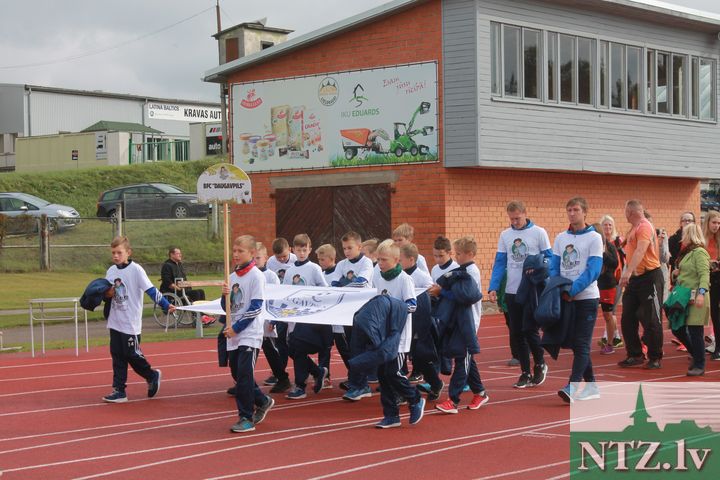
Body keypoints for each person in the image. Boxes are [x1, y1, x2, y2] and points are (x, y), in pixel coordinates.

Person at [488, 201, 551, 388]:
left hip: (531, 289)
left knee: (529, 330)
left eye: (517, 218)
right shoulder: (505, 235)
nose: (514, 222)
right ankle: (525, 372)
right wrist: (493, 286)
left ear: (525, 213)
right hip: (511, 290)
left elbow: (549, 259)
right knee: (517, 333)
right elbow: (500, 262)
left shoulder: (539, 233)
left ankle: (540, 363)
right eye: (512, 219)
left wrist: (539, 269)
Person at [102, 236, 172, 403]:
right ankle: (119, 390)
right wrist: (106, 294)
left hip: (130, 322)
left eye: (119, 252)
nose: (116, 256)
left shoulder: (136, 270)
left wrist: (165, 304)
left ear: (128, 252)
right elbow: (105, 293)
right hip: (115, 321)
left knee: (132, 355)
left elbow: (151, 290)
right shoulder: (111, 271)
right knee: (117, 356)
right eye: (113, 253)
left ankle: (151, 375)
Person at [550, 198, 603, 403]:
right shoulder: (561, 238)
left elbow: (593, 270)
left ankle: (572, 387)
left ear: (585, 212)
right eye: (569, 210)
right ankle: (591, 386)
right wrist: (559, 287)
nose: (572, 213)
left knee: (581, 343)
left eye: (576, 210)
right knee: (575, 343)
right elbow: (554, 266)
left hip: (586, 298)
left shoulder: (594, 238)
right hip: (566, 297)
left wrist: (574, 289)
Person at [221, 235, 273, 433]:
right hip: (233, 333)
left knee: (244, 374)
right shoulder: (232, 277)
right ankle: (262, 400)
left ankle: (245, 417)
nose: (235, 254)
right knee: (237, 374)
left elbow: (256, 307)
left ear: (251, 253)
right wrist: (224, 295)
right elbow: (227, 307)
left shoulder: (256, 276)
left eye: (240, 251)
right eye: (234, 250)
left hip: (249, 333)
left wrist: (238, 328)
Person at [371, 240, 426, 428]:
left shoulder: (404, 279)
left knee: (393, 372)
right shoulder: (379, 278)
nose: (380, 263)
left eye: (384, 260)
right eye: (378, 259)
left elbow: (412, 305)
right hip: (382, 335)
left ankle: (415, 399)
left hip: (399, 336)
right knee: (383, 375)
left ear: (396, 260)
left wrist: (391, 308)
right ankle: (391, 415)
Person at [432, 236, 489, 413]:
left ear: (470, 254)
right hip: (459, 319)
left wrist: (443, 292)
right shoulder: (462, 269)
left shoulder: (471, 272)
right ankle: (480, 392)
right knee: (464, 357)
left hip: (469, 321)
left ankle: (453, 399)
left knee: (462, 358)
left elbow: (465, 296)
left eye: (459, 254)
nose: (456, 257)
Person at [618, 199, 664, 370]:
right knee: (627, 317)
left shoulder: (644, 226)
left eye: (625, 212)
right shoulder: (633, 228)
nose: (625, 215)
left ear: (631, 212)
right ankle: (635, 354)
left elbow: (641, 250)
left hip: (649, 276)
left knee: (652, 318)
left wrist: (627, 272)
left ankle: (655, 356)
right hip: (636, 279)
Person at [283, 233, 329, 400]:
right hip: (293, 317)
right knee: (292, 350)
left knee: (300, 348)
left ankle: (300, 386)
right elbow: (284, 293)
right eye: (298, 250)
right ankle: (317, 371)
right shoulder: (290, 271)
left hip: (308, 317)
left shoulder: (314, 268)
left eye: (304, 250)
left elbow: (324, 289)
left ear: (309, 249)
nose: (301, 253)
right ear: (293, 250)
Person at [336, 231, 377, 401]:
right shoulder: (341, 264)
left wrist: (344, 284)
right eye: (344, 248)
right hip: (348, 311)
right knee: (352, 348)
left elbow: (361, 282)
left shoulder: (366, 262)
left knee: (361, 348)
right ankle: (357, 382)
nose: (346, 251)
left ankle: (362, 384)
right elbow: (334, 284)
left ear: (359, 247)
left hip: (363, 311)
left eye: (350, 248)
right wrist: (344, 285)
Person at [668, 223, 710, 376]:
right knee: (677, 328)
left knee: (695, 331)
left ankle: (699, 364)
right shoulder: (687, 253)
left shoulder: (699, 252)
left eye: (684, 234)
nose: (682, 238)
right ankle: (697, 355)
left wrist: (701, 293)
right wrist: (676, 273)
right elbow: (686, 272)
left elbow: (704, 274)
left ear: (690, 235)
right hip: (684, 296)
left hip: (696, 296)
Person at [255, 243, 291, 394]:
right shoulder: (249, 274)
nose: (255, 261)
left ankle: (282, 377)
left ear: (265, 258)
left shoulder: (270, 276)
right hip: (253, 318)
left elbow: (277, 298)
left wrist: (273, 319)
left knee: (270, 349)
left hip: (266, 318)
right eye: (252, 258)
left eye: (258, 258)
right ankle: (243, 380)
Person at [317, 243, 352, 389]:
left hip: (339, 321)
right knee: (324, 348)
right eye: (319, 259)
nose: (320, 262)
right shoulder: (320, 274)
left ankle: (354, 374)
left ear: (332, 258)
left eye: (323, 259)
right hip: (325, 320)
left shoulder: (339, 273)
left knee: (344, 349)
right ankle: (324, 377)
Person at [399, 243, 433, 383]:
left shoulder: (421, 276)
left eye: (400, 259)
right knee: (403, 343)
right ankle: (401, 370)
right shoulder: (400, 275)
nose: (398, 262)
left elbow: (430, 292)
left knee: (416, 344)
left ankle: (418, 371)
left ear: (411, 259)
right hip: (404, 316)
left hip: (418, 316)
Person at [160, 246, 213, 325]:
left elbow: (184, 278)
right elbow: (167, 281)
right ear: (172, 255)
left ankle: (203, 314)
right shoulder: (167, 265)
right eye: (178, 253)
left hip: (183, 289)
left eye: (180, 253)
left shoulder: (179, 264)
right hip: (173, 291)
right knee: (195, 293)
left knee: (201, 291)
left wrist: (187, 286)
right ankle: (197, 317)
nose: (180, 255)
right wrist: (178, 288)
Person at [597, 215, 624, 350]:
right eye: (605, 225)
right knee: (607, 312)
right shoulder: (597, 241)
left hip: (615, 281)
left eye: (610, 225)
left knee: (610, 311)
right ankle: (612, 336)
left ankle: (613, 338)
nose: (607, 227)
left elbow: (618, 262)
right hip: (599, 282)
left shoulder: (617, 242)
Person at [594, 222, 620, 355]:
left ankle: (610, 343)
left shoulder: (609, 246)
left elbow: (615, 263)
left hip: (607, 285)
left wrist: (603, 253)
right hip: (592, 284)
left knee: (608, 314)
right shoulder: (588, 245)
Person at [702, 210, 720, 361]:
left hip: (717, 278)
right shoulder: (701, 240)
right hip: (706, 279)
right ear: (707, 222)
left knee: (717, 314)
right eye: (714, 222)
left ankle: (718, 347)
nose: (716, 226)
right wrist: (708, 263)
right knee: (713, 314)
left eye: (719, 223)